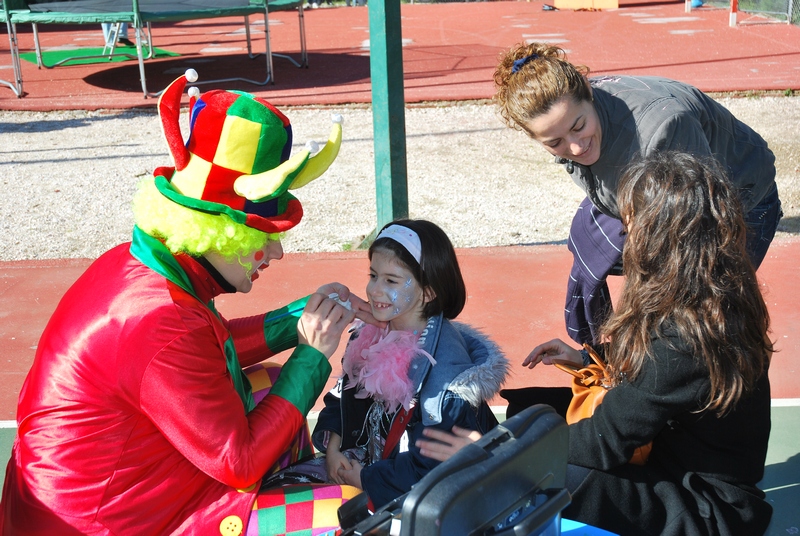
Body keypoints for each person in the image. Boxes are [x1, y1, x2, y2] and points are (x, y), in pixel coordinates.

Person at [0, 70, 373, 535]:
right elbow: (239, 461)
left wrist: (299, 319)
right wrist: (313, 353)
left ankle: (283, 496)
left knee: (271, 386)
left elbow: (203, 351)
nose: (276, 252)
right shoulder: (160, 319)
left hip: (95, 490)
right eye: (261, 236)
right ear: (218, 231)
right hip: (107, 523)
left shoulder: (145, 267)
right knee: (347, 513)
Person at [418, 152, 774, 535]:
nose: (625, 234)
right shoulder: (713, 298)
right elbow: (664, 376)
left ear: (665, 237)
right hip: (679, 466)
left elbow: (603, 441)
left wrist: (500, 457)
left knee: (549, 475)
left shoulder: (686, 340)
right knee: (534, 410)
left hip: (706, 510)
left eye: (632, 223)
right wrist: (587, 358)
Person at [494, 42, 782, 345]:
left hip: (732, 200)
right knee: (593, 248)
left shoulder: (664, 128)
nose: (575, 148)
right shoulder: (571, 116)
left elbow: (693, 240)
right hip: (648, 192)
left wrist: (639, 318)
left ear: (589, 92)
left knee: (703, 320)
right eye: (555, 143)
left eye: (579, 126)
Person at [307, 219, 509, 510]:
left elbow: (432, 469)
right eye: (373, 275)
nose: (374, 290)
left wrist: (364, 479)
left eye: (391, 281)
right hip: (364, 465)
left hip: (411, 498)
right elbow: (342, 396)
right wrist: (334, 449)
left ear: (428, 292)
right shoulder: (370, 336)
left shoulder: (445, 380)